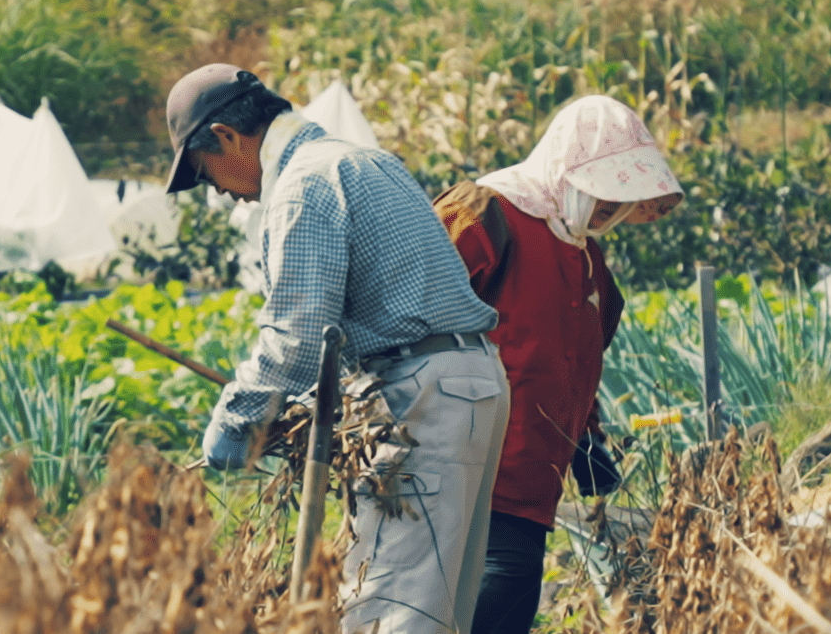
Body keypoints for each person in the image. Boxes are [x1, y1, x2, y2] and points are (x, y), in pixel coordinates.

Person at [163, 64, 509, 634]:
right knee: (438, 606)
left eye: (206, 173)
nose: (220, 190)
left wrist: (237, 419)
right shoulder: (357, 159)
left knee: (390, 608)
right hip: (468, 381)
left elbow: (296, 336)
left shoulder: (304, 184)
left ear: (227, 136)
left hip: (421, 393)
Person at [432, 96, 683, 634]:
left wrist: (586, 438)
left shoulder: (588, 262)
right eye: (601, 200)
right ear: (568, 172)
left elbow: (572, 366)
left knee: (508, 608)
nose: (606, 217)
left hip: (530, 478)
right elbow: (411, 310)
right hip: (458, 467)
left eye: (616, 206)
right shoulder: (484, 213)